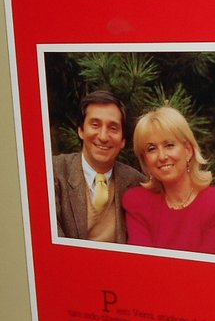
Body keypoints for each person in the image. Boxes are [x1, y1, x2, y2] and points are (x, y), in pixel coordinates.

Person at [123, 105, 215, 255]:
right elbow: (142, 264)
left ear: (188, 151)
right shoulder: (138, 202)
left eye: (169, 145)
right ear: (145, 160)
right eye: (152, 149)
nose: (162, 156)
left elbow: (209, 268)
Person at [52, 90, 145, 243]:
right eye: (95, 125)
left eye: (113, 128)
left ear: (123, 140)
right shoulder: (53, 172)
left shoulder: (137, 183)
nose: (103, 136)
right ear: (81, 130)